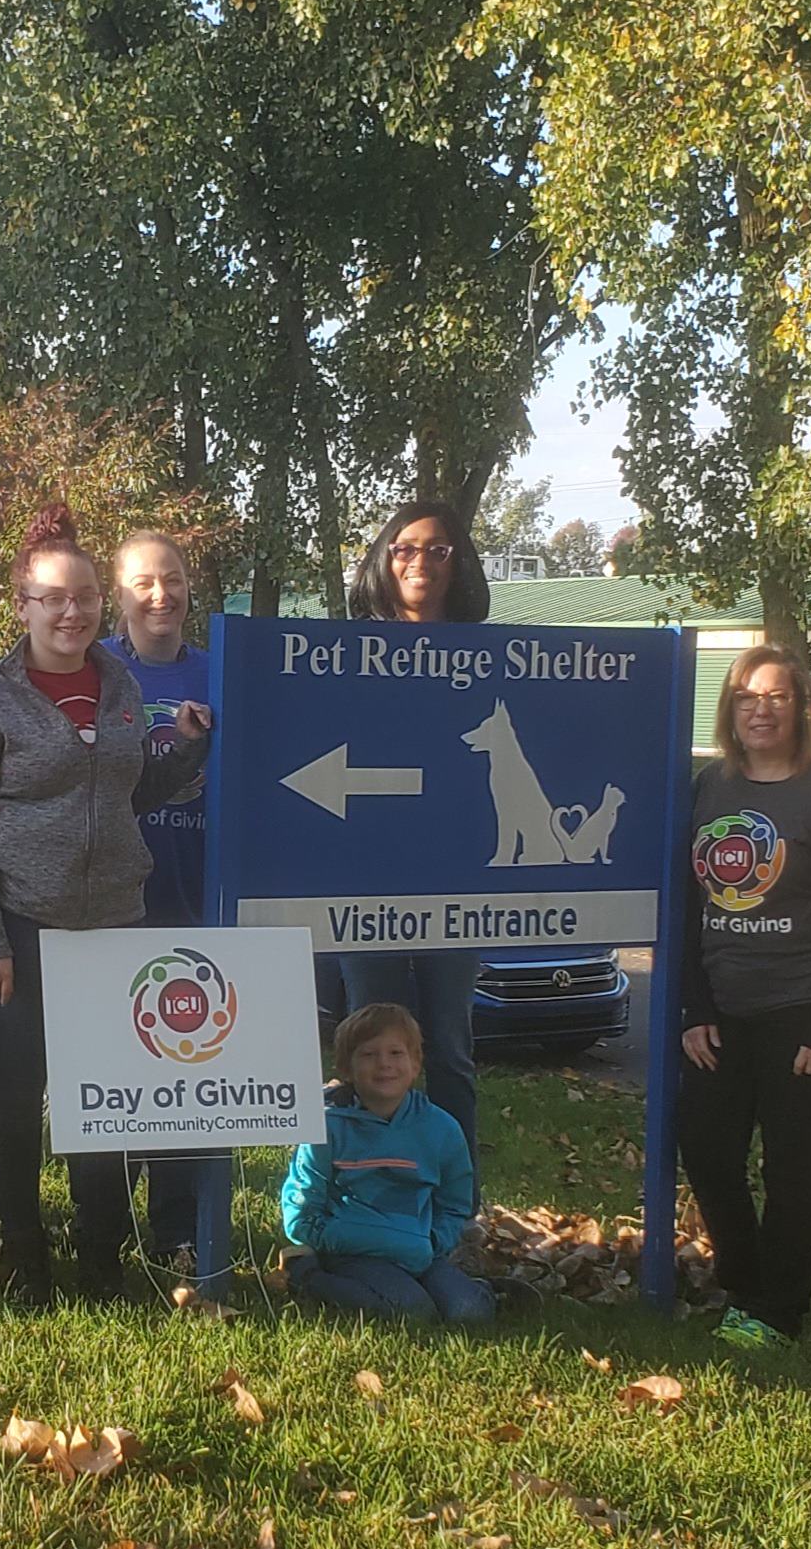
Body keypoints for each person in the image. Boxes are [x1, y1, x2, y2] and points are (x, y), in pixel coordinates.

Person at [0, 505, 210, 1306]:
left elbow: (127, 791)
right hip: (15, 923)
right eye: (52, 597)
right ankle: (23, 1248)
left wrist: (185, 751)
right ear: (21, 604)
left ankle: (100, 1250)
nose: (71, 611)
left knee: (103, 1095)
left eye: (84, 595)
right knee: (17, 1088)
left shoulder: (120, 686)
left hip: (112, 920)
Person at [678, 645, 811, 1348]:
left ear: (801, 708)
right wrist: (694, 1008)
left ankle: (778, 1308)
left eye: (775, 696)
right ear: (729, 709)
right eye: (745, 696)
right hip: (722, 1008)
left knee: (789, 1165)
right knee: (705, 1148)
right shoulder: (708, 788)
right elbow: (687, 904)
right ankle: (741, 1278)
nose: (759, 708)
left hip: (801, 1009)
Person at [335, 500, 492, 1175]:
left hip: (454, 880)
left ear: (458, 563)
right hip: (364, 876)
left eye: (436, 549)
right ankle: (359, 1190)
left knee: (449, 1049)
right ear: (381, 558)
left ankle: (455, 1202)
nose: (418, 562)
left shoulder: (491, 656)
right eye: (403, 548)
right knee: (365, 1043)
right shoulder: (341, 654)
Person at [110, 531, 233, 1304]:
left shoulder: (221, 669)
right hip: (116, 897)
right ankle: (107, 1221)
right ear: (118, 593)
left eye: (175, 580)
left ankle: (178, 1227)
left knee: (190, 1067)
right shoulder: (93, 667)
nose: (162, 594)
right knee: (119, 1071)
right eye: (145, 581)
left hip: (203, 890)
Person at [280, 1002, 494, 1324]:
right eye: (369, 1054)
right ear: (347, 1068)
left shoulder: (441, 1128)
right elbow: (303, 1199)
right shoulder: (327, 1129)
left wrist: (435, 1241)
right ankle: (307, 1276)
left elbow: (454, 1201)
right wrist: (327, 1237)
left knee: (469, 1312)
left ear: (415, 1064)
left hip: (419, 1252)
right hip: (353, 1252)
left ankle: (485, 1291)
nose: (384, 1065)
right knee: (411, 1312)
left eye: (396, 1054)